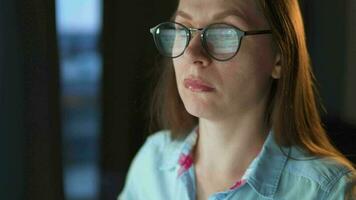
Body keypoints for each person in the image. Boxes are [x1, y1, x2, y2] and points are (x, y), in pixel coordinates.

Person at [119, 0, 356, 199]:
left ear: (279, 57)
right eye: (183, 28)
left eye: (224, 33)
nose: (192, 53)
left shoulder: (328, 191)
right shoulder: (152, 163)